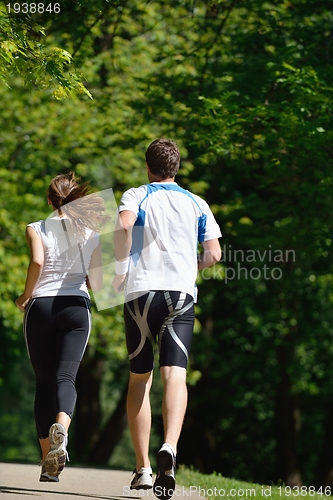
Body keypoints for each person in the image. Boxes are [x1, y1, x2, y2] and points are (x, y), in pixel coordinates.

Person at [112, 138, 222, 500]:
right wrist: (193, 267)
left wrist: (117, 270)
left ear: (148, 168)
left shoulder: (136, 194)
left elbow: (125, 228)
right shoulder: (197, 202)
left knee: (139, 379)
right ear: (176, 168)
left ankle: (143, 467)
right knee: (175, 375)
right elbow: (214, 253)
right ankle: (170, 448)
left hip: (141, 292)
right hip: (180, 295)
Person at [15, 172, 108, 482]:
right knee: (65, 377)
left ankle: (47, 462)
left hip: (40, 308)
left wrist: (24, 296)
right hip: (76, 309)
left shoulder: (36, 228)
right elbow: (96, 283)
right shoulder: (91, 233)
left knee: (43, 384)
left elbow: (38, 263)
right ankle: (62, 432)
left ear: (49, 199)